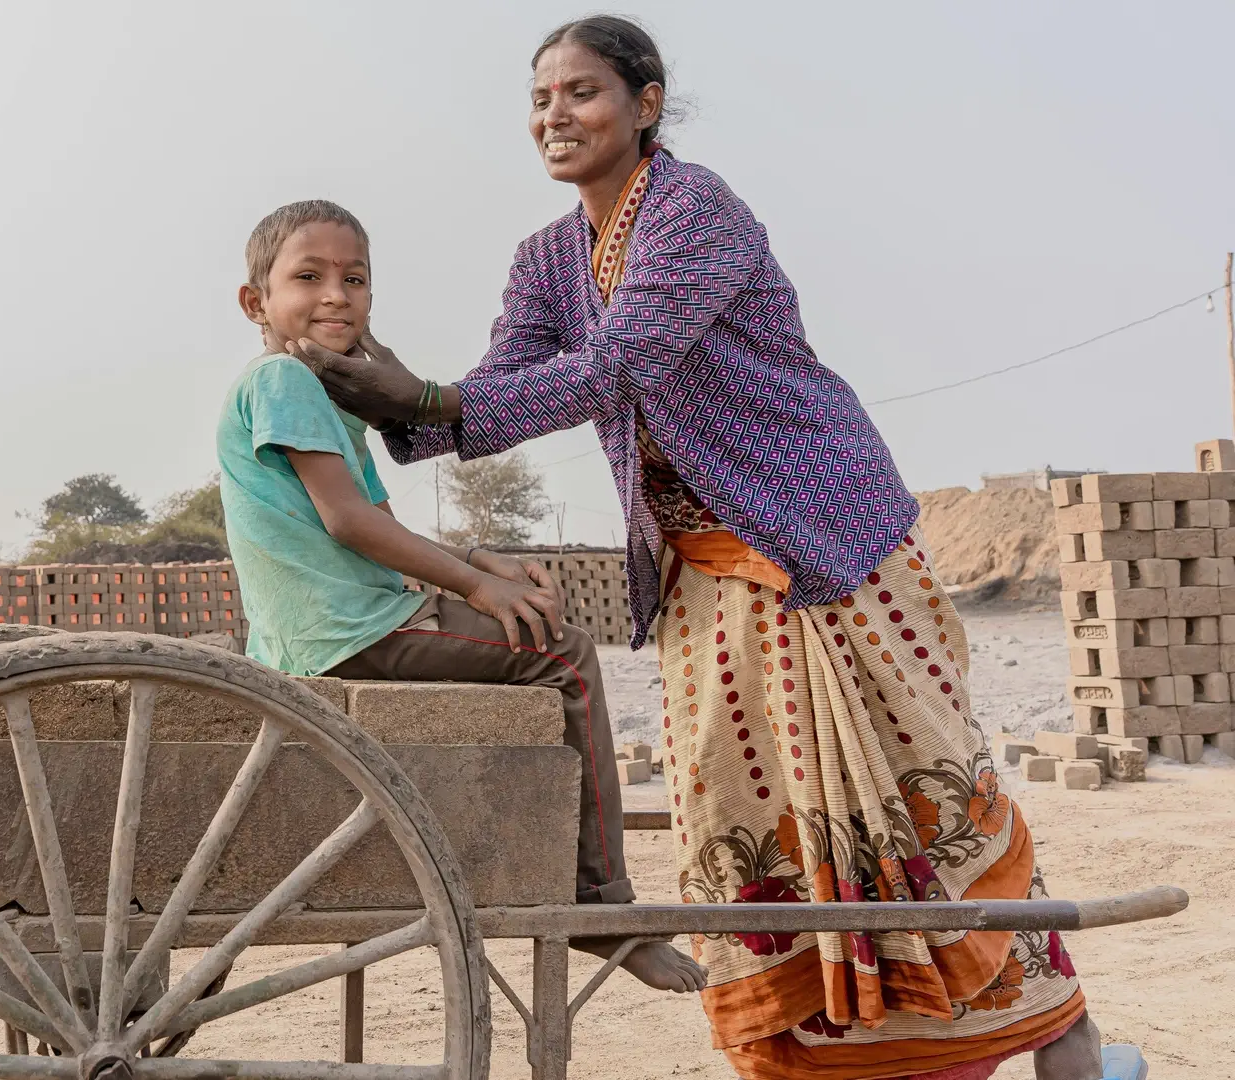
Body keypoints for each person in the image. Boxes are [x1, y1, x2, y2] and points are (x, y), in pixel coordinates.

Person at [293, 15, 1106, 1080]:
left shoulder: (695, 210)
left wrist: (427, 400)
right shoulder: (546, 258)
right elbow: (502, 386)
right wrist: (386, 392)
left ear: (646, 103)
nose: (554, 116)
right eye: (539, 100)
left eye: (580, 92)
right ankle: (825, 1053)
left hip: (827, 543)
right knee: (743, 812)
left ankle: (1061, 1031)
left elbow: (621, 364)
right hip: (699, 576)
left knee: (924, 790)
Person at [217, 198, 705, 993]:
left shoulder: (323, 398)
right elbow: (349, 524)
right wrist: (476, 583)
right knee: (568, 658)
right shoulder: (282, 380)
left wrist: (483, 559)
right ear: (255, 302)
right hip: (351, 629)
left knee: (535, 625)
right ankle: (602, 906)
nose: (336, 295)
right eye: (308, 278)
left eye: (355, 279)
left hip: (332, 627)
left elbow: (379, 521)